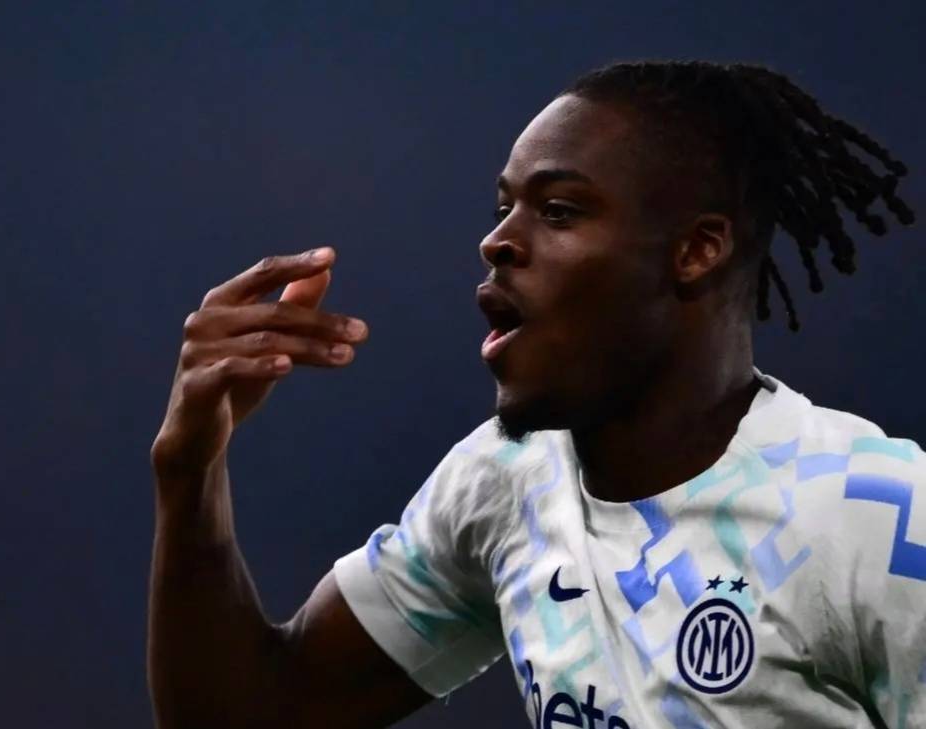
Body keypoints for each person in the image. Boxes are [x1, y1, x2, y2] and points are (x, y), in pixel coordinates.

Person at [146, 59, 922, 728]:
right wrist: (190, 470)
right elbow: (256, 714)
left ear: (696, 250)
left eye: (557, 210)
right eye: (503, 209)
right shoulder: (505, 484)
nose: (497, 241)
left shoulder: (873, 515)